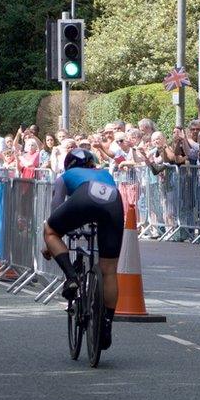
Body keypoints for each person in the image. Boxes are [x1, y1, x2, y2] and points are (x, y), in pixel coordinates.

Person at [41, 149, 125, 350]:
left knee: (50, 231)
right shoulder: (105, 173)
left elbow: (56, 208)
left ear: (69, 165)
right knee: (109, 271)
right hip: (114, 201)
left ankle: (71, 278)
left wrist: (50, 245)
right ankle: (106, 324)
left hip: (84, 197)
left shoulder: (65, 176)